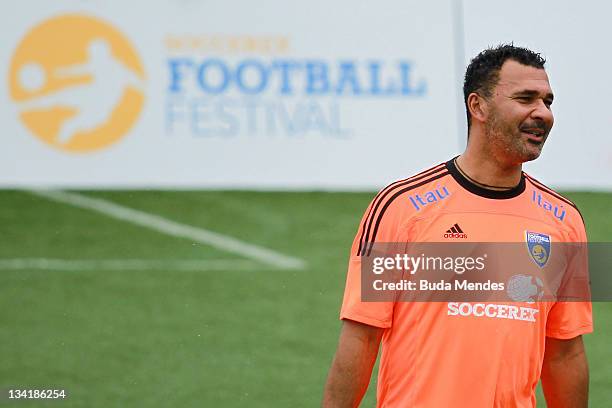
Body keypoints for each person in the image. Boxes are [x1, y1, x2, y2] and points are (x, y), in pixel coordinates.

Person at [322, 44, 592, 407]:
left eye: (548, 101)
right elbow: (361, 338)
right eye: (526, 98)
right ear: (477, 106)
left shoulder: (565, 220)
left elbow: (565, 352)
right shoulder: (400, 207)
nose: (542, 113)